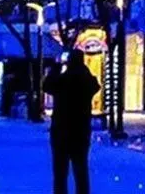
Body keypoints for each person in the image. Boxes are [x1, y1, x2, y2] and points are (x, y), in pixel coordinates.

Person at [43, 49, 100, 194]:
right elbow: (95, 85)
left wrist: (55, 69)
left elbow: (47, 85)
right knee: (81, 171)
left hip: (61, 131)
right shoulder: (87, 81)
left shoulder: (63, 80)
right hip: (81, 131)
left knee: (60, 173)